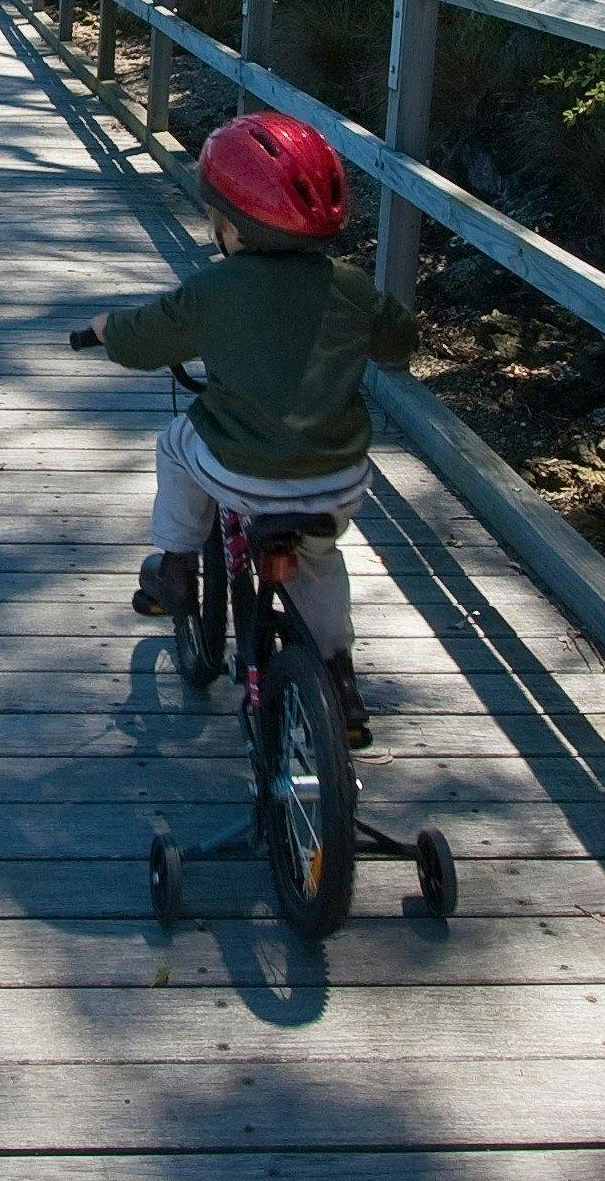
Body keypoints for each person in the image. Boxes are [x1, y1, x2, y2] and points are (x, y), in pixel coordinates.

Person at [83, 112, 416, 744]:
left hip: (242, 475)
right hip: (336, 480)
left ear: (231, 225)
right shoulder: (347, 286)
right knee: (318, 559)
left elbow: (143, 339)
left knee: (177, 446)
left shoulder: (216, 288)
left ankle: (178, 562)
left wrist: (106, 328)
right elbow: (400, 337)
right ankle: (338, 678)